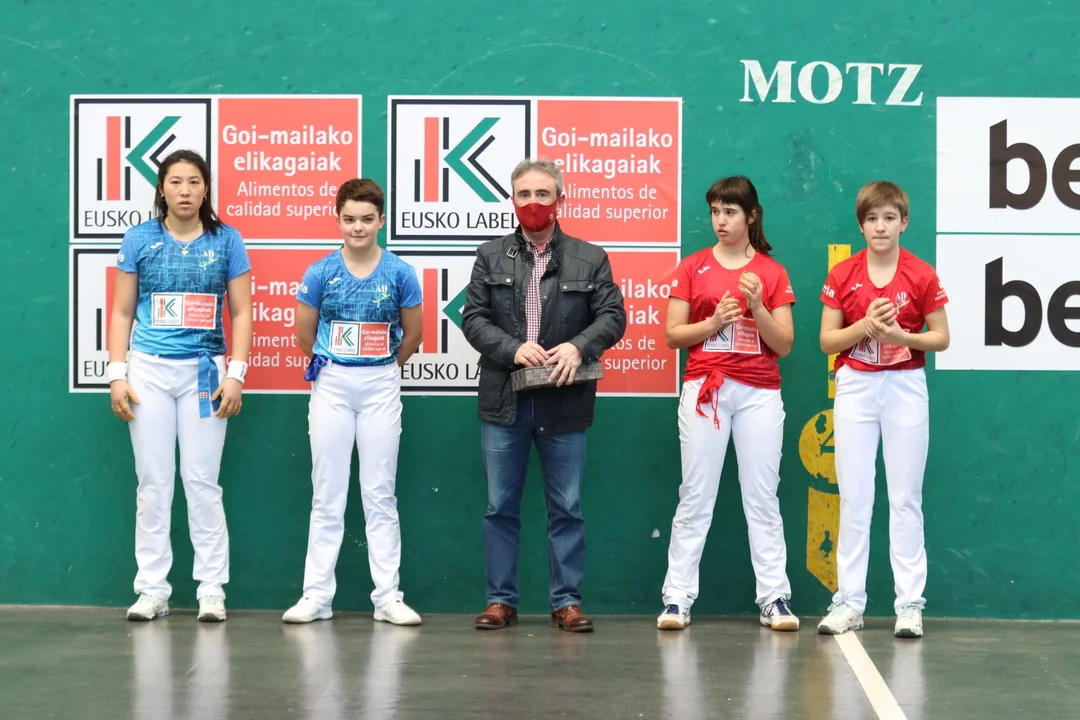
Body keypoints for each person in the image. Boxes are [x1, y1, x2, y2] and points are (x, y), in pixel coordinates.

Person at [461, 158, 627, 633]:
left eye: (542, 194)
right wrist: (513, 348)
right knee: (500, 507)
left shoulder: (590, 257)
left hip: (564, 400)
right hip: (505, 399)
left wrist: (579, 346)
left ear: (560, 200)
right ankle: (500, 601)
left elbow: (613, 316)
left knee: (568, 508)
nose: (533, 203)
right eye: (524, 195)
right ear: (512, 200)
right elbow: (473, 319)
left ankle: (567, 602)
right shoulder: (489, 255)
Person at [108, 149, 252, 623]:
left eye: (194, 182)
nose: (185, 190)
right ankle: (153, 589)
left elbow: (241, 312)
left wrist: (236, 373)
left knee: (202, 481)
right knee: (153, 482)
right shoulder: (139, 239)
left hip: (205, 374)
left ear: (205, 189)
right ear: (162, 188)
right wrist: (117, 374)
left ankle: (211, 589)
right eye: (175, 181)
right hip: (148, 372)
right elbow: (122, 312)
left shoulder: (227, 240)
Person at [657, 176, 799, 633]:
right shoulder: (692, 267)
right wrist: (714, 321)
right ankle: (677, 598)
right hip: (706, 391)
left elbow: (784, 344)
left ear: (751, 216)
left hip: (759, 394)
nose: (721, 220)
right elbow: (673, 335)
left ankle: (774, 598)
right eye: (715, 211)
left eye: (730, 212)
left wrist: (757, 307)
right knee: (696, 494)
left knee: (762, 497)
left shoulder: (772, 273)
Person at [282, 178, 424, 627]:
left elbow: (414, 335)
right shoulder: (319, 272)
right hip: (332, 385)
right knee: (327, 493)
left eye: (366, 219)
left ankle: (388, 598)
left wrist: (381, 368)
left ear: (381, 220)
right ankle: (316, 596)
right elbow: (304, 336)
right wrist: (340, 366)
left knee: (380, 494)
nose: (357, 227)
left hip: (381, 384)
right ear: (338, 220)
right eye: (349, 219)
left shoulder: (400, 273)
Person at [815, 181, 950, 639]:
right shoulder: (843, 274)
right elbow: (827, 341)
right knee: (855, 497)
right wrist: (864, 327)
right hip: (855, 386)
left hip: (906, 385)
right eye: (872, 219)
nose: (880, 227)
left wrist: (900, 338)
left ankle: (909, 604)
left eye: (889, 218)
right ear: (861, 225)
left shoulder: (922, 274)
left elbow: (941, 337)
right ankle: (849, 602)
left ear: (903, 222)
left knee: (905, 497)